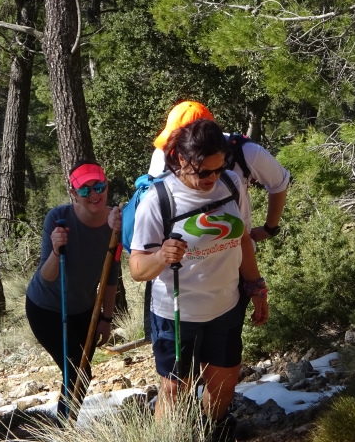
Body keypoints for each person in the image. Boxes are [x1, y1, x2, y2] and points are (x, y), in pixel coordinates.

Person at [126, 119, 268, 440]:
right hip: (177, 314)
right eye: (203, 172)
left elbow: (243, 240)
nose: (212, 178)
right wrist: (161, 256)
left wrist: (256, 287)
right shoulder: (159, 200)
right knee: (175, 390)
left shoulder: (232, 183)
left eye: (218, 168)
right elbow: (136, 269)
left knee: (224, 384)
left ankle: (211, 432)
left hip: (226, 305)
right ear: (180, 159)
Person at [25, 161, 121, 421]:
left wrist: (106, 318)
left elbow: (111, 276)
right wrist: (57, 251)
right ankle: (63, 430)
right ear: (73, 193)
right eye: (85, 189)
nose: (94, 194)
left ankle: (63, 427)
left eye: (98, 186)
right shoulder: (58, 218)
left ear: (106, 186)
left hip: (84, 309)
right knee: (77, 373)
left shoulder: (115, 223)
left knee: (81, 374)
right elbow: (47, 276)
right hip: (46, 308)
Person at [148, 101, 290, 242]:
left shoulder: (245, 152)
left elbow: (279, 181)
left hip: (237, 247)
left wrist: (269, 228)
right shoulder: (163, 155)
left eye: (219, 170)